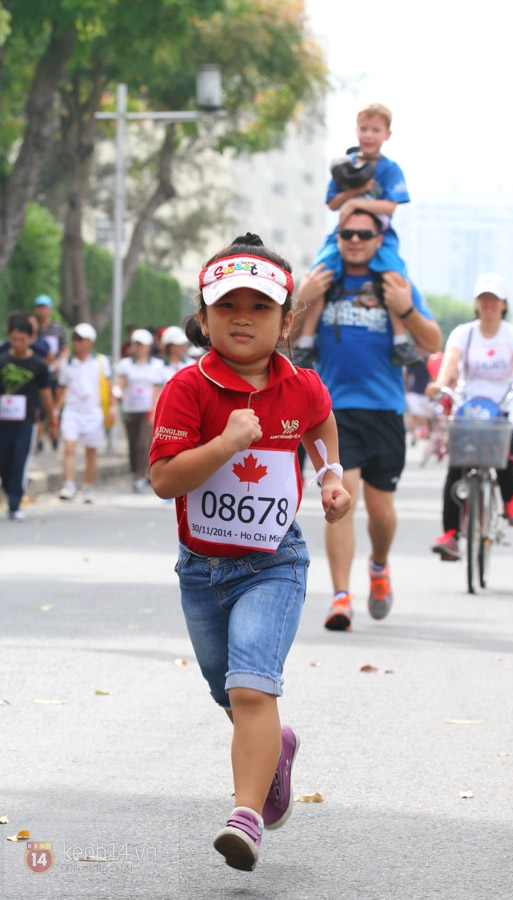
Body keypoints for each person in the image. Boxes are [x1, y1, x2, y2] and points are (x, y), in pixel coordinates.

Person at [149, 233, 351, 872]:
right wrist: (225, 445)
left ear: (286, 321)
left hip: (273, 563)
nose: (243, 316)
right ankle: (277, 748)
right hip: (201, 570)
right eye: (227, 304)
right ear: (203, 317)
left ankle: (244, 817)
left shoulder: (301, 386)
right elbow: (165, 479)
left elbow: (319, 426)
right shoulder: (188, 388)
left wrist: (332, 476)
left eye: (260, 306)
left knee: (251, 689)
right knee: (229, 692)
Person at [296, 209, 442, 630]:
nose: (355, 239)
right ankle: (341, 596)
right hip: (333, 411)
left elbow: (432, 342)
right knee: (342, 499)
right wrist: (304, 297)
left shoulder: (395, 283)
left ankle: (379, 565)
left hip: (385, 410)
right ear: (337, 236)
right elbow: (286, 338)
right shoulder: (323, 280)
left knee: (381, 511)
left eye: (364, 233)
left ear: (381, 239)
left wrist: (405, 308)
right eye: (347, 232)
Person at [294, 102, 424, 370]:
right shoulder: (344, 166)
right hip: (341, 236)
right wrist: (356, 193)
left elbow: (390, 206)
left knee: (394, 280)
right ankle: (306, 343)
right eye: (364, 129)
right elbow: (332, 203)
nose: (368, 135)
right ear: (356, 131)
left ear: (387, 134)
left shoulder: (390, 169)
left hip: (382, 236)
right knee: (318, 277)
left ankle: (401, 341)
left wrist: (355, 205)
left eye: (375, 130)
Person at [426, 274, 513, 561]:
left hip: (503, 401)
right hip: (470, 403)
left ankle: (509, 498)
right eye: (483, 298)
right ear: (477, 303)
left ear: (503, 304)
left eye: (494, 299)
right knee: (458, 464)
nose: (488, 304)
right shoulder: (464, 333)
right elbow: (450, 362)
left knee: (508, 437)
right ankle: (451, 534)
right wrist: (441, 383)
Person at [0, 315, 57, 519]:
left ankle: (15, 504)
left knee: (19, 462)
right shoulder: (2, 360)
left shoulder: (38, 365)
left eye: (22, 339)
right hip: (2, 423)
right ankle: (9, 490)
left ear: (30, 339)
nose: (18, 344)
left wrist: (52, 419)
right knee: (4, 462)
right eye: (14, 339)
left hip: (26, 423)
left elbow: (45, 394)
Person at [55, 323, 115, 503]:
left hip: (93, 412)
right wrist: (56, 411)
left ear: (90, 342)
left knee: (91, 451)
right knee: (69, 448)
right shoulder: (67, 364)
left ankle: (88, 487)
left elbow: (108, 386)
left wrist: (111, 408)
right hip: (72, 411)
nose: (76, 343)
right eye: (74, 339)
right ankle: (69, 484)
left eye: (80, 339)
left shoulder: (101, 361)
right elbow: (62, 388)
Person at [115, 328, 164, 493]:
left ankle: (142, 476)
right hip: (130, 409)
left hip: (147, 409)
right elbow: (120, 384)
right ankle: (135, 474)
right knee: (133, 443)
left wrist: (154, 408)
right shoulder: (125, 364)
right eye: (136, 344)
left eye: (142, 344)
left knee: (144, 443)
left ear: (149, 346)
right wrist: (117, 393)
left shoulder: (156, 366)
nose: (139, 347)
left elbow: (157, 389)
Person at [33, 294, 69, 451]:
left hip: (55, 374)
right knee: (38, 408)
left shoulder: (58, 329)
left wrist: (59, 362)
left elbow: (65, 349)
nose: (42, 310)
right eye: (39, 307)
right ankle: (39, 440)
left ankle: (54, 435)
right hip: (38, 373)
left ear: (50, 309)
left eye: (45, 307)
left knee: (54, 406)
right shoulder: (33, 329)